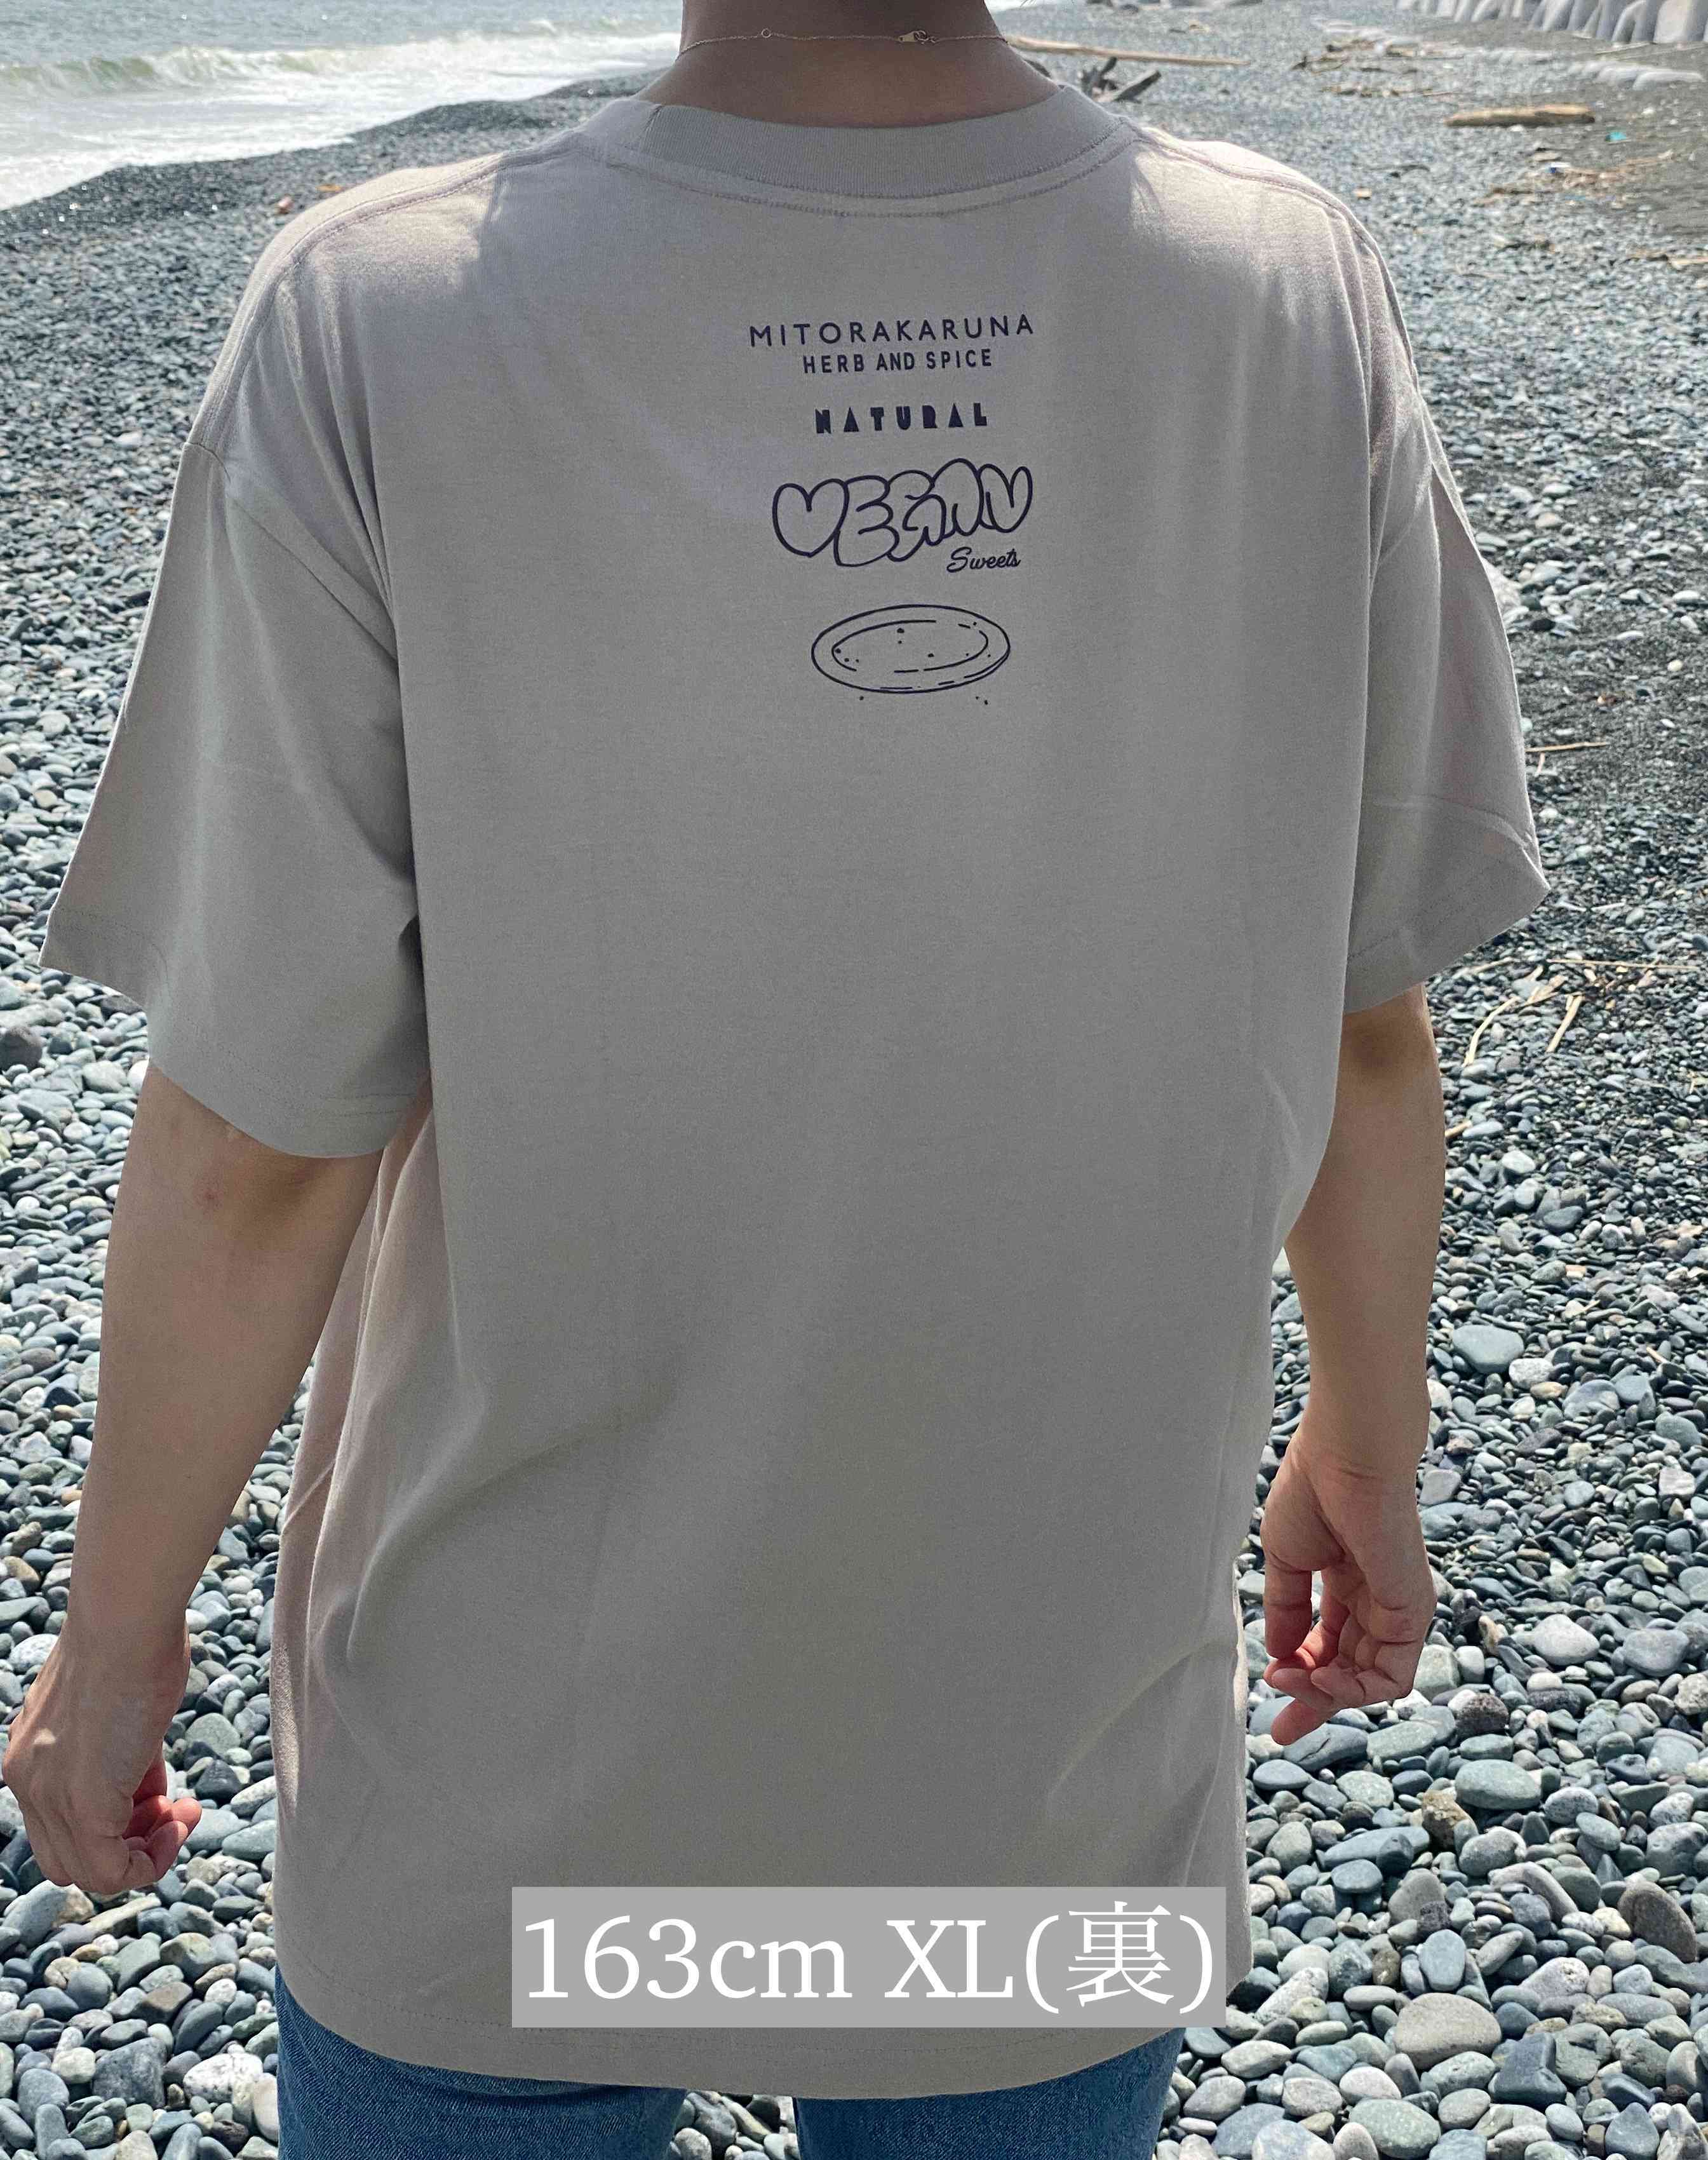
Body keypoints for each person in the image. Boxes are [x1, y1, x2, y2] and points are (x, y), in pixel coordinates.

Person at [1, 0, 1550, 2150]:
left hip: (513, 1797)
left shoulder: (379, 312)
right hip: (1037, 1774)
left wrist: (113, 1645)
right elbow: (1362, 1011)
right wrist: (1369, 1445)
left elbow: (263, 1139)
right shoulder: (1286, 289)